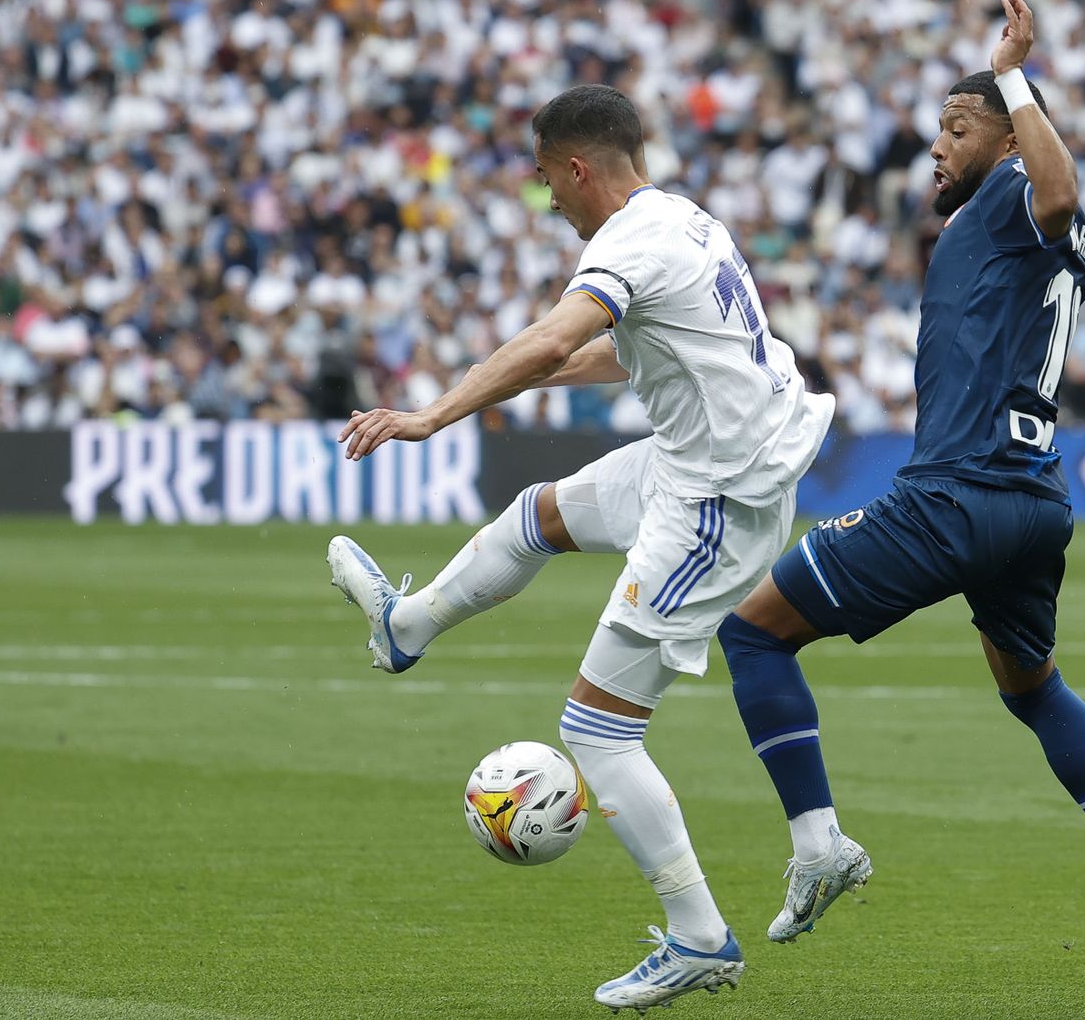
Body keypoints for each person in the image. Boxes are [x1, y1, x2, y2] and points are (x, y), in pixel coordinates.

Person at [326, 84, 834, 1011]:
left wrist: (432, 414)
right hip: (695, 460)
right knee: (540, 515)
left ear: (576, 167)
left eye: (545, 179)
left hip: (716, 499)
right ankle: (407, 626)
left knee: (597, 730)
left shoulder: (628, 243)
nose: (546, 200)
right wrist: (524, 375)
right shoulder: (684, 219)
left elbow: (555, 335)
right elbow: (613, 349)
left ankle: (699, 936)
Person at [714, 0, 1085, 951]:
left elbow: (1059, 191)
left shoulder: (1017, 192)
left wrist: (1012, 77)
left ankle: (819, 846)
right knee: (1033, 687)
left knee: (753, 631)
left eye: (958, 127)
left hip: (957, 493)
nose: (936, 146)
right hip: (1033, 497)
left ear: (1010, 137)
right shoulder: (1037, 235)